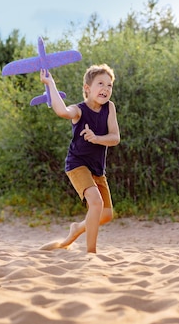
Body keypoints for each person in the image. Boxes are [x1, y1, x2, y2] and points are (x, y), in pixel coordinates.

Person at [39, 64, 120, 253]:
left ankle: (77, 228)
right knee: (96, 203)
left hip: (97, 168)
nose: (106, 89)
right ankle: (91, 252)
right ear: (87, 88)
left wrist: (97, 138)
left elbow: (115, 138)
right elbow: (62, 111)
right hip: (77, 164)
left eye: (109, 86)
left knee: (106, 214)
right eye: (101, 84)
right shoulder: (79, 110)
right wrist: (50, 83)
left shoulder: (110, 108)